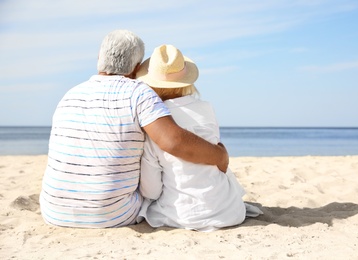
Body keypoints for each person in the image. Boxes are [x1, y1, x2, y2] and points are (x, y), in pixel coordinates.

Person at [39, 30, 229, 228]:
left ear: (99, 58)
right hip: (112, 215)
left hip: (53, 211)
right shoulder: (138, 93)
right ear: (137, 67)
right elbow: (174, 141)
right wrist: (219, 156)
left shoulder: (70, 94)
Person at [136, 44, 262, 232]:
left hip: (186, 216)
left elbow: (151, 190)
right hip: (229, 211)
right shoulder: (206, 109)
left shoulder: (156, 122)